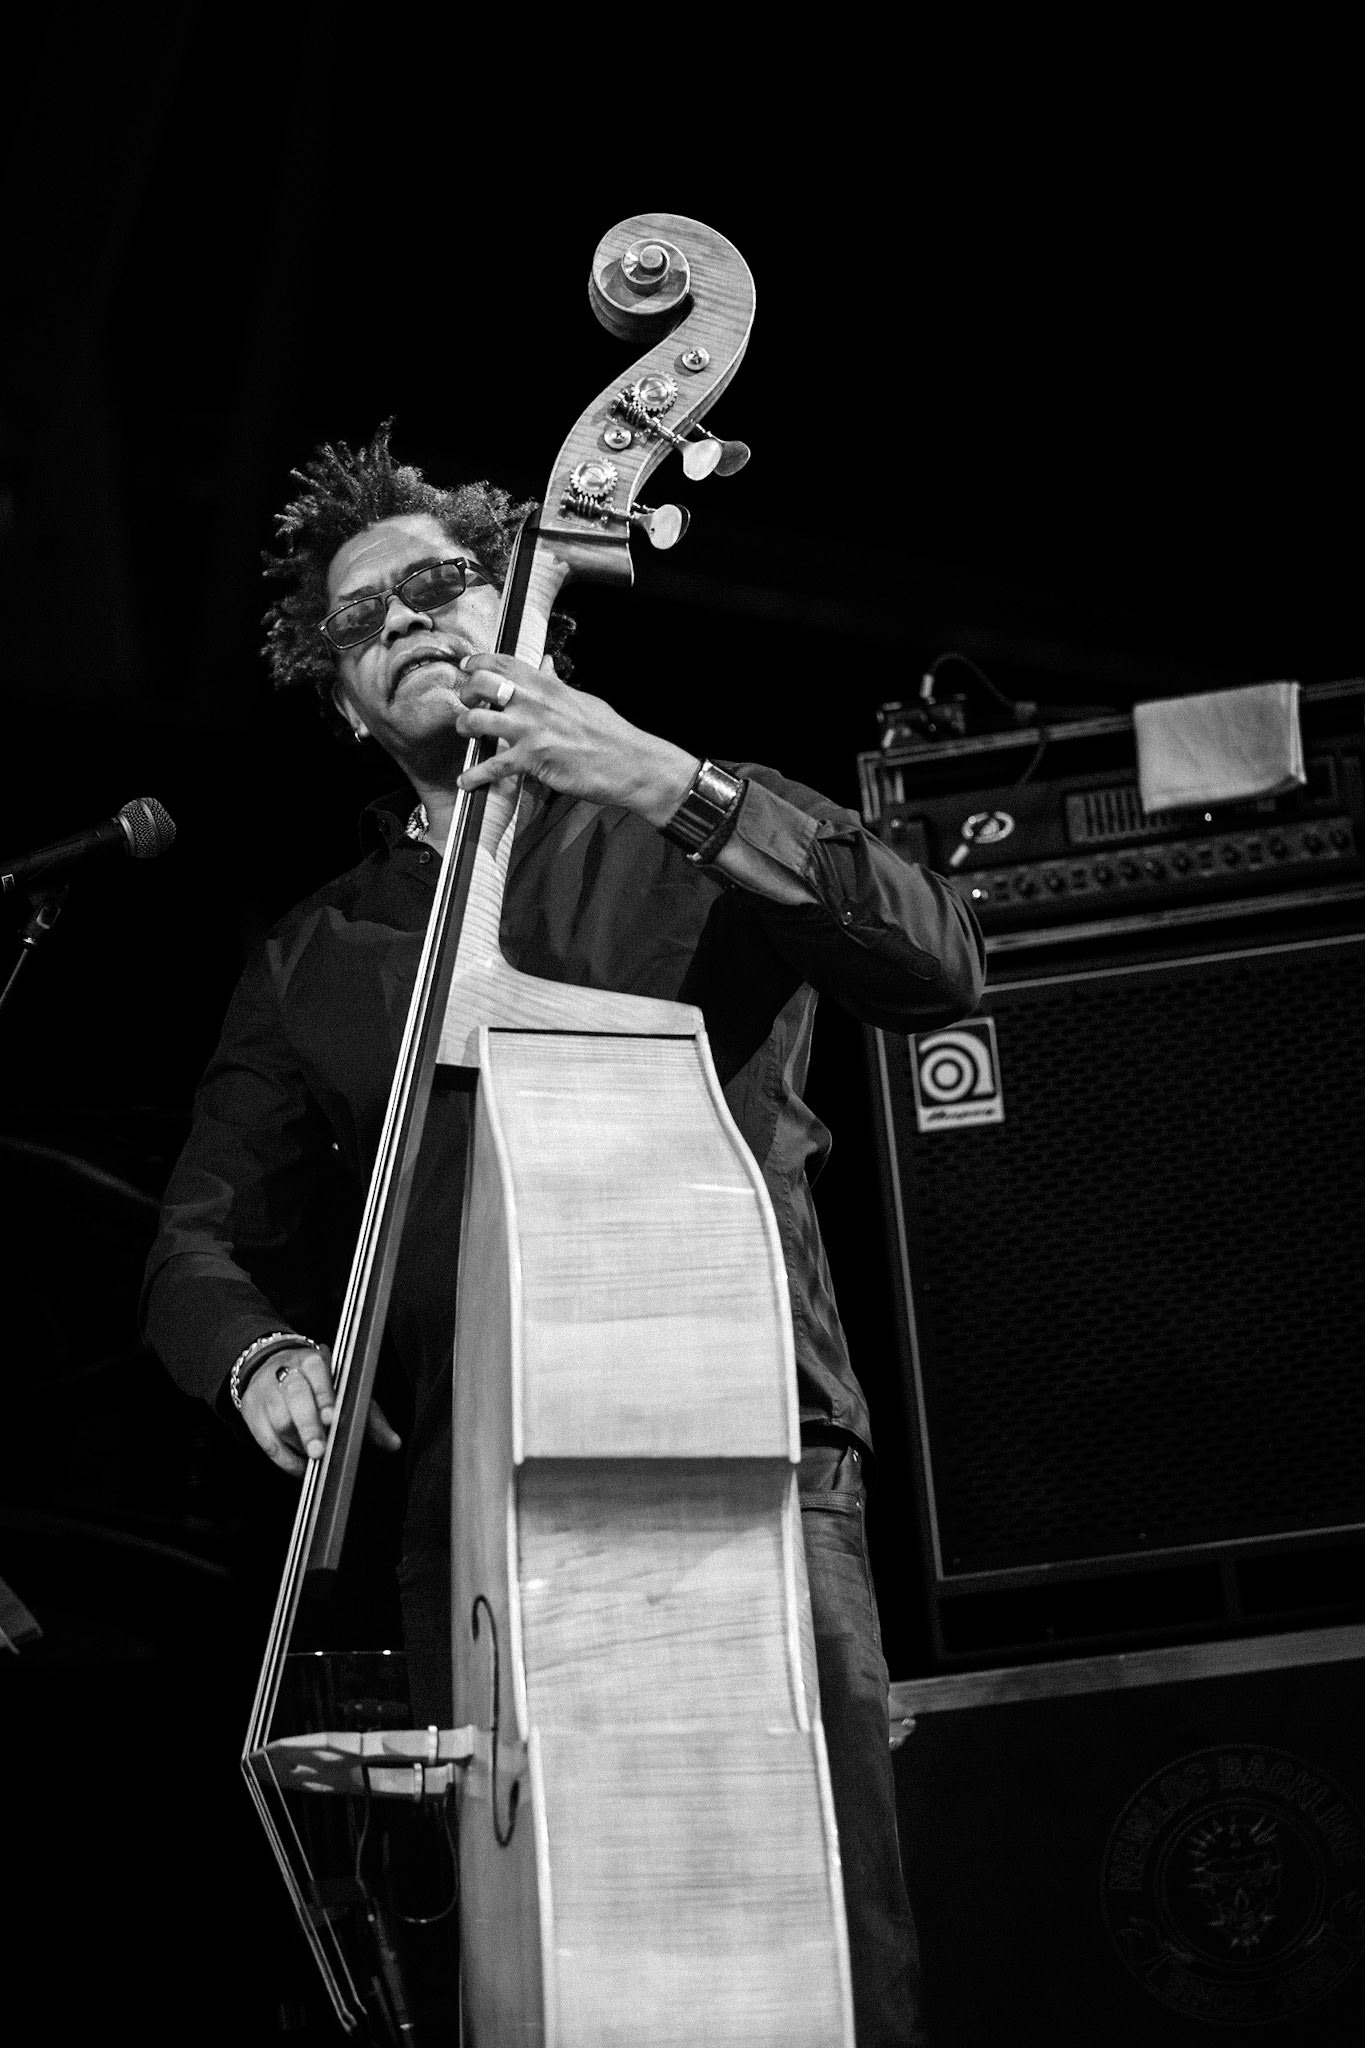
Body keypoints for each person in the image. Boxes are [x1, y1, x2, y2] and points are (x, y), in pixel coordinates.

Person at [142, 426, 985, 2047]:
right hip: (469, 1524)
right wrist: (258, 1353)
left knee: (817, 1941)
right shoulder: (316, 954)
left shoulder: (685, 817)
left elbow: (937, 963)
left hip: (748, 1458)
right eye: (364, 624)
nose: (409, 625)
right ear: (342, 701)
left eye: (443, 584)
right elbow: (194, 1241)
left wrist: (661, 779)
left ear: (533, 606)